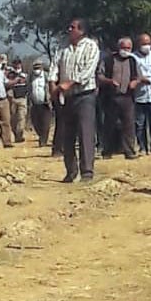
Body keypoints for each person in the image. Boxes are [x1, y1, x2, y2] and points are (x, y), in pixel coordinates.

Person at [56, 18, 100, 182]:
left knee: (85, 133)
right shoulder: (62, 47)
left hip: (84, 95)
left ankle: (87, 172)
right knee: (67, 135)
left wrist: (71, 82)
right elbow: (55, 65)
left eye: (72, 27)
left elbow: (88, 70)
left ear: (81, 31)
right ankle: (70, 171)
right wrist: (53, 84)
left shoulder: (91, 47)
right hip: (66, 97)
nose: (69, 30)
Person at [97, 37, 139, 159]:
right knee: (109, 124)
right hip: (111, 97)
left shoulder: (132, 61)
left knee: (129, 125)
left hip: (127, 97)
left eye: (128, 48)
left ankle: (129, 151)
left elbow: (137, 76)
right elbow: (100, 76)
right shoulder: (108, 60)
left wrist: (135, 82)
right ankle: (107, 151)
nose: (125, 50)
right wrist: (109, 81)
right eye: (123, 47)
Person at [28, 60, 54, 148]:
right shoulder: (30, 77)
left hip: (45, 103)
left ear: (42, 67)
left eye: (38, 68)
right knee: (36, 123)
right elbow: (29, 88)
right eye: (35, 68)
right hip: (34, 104)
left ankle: (43, 140)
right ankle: (41, 135)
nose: (37, 70)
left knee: (45, 123)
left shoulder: (46, 76)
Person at [6, 57, 29, 143]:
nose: (17, 65)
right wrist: (14, 81)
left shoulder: (25, 74)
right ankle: (15, 133)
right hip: (12, 99)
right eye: (15, 63)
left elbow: (28, 85)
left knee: (22, 117)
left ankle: (20, 134)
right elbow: (6, 84)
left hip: (22, 98)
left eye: (18, 63)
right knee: (13, 118)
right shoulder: (9, 75)